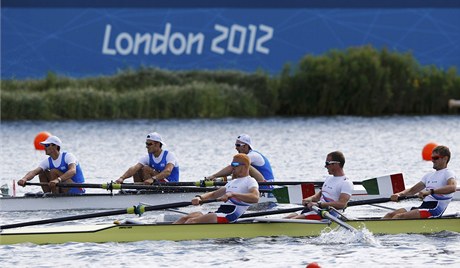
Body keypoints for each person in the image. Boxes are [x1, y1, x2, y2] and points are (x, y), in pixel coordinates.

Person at [174, 153, 259, 224]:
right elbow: (213, 194)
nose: (232, 167)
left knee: (192, 221)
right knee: (185, 218)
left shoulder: (250, 181)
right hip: (220, 212)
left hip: (230, 215)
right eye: (231, 165)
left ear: (245, 166)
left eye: (235, 165)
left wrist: (232, 194)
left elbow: (255, 197)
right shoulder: (232, 182)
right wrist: (199, 197)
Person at [383, 145, 457, 219]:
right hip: (423, 206)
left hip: (434, 210)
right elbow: (412, 191)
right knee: (390, 215)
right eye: (432, 158)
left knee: (399, 216)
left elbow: (452, 188)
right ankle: (377, 230)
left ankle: (387, 230)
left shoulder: (448, 173)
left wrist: (430, 192)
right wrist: (399, 194)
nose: (432, 160)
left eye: (436, 158)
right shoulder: (428, 176)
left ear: (445, 158)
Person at [287, 151, 353, 220]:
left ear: (336, 164)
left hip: (329, 214)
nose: (325, 166)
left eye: (327, 163)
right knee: (286, 218)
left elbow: (342, 204)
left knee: (291, 221)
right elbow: (319, 195)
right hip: (316, 209)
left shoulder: (346, 183)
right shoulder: (329, 178)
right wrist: (310, 199)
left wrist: (319, 204)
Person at [17, 135, 86, 194]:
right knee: (42, 172)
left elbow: (73, 171)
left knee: (53, 171)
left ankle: (55, 196)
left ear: (55, 146)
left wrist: (58, 180)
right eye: (44, 145)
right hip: (64, 188)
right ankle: (48, 195)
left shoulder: (68, 156)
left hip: (77, 188)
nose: (44, 147)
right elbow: (34, 172)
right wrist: (24, 179)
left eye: (47, 145)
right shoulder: (47, 161)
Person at [206, 134, 275, 189]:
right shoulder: (246, 157)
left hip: (266, 186)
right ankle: (232, 187)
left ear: (245, 146)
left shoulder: (253, 155)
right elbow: (233, 170)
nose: (236, 148)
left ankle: (232, 188)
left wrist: (213, 176)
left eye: (238, 145)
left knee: (240, 165)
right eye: (235, 145)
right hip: (260, 184)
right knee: (239, 167)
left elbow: (232, 167)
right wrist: (219, 179)